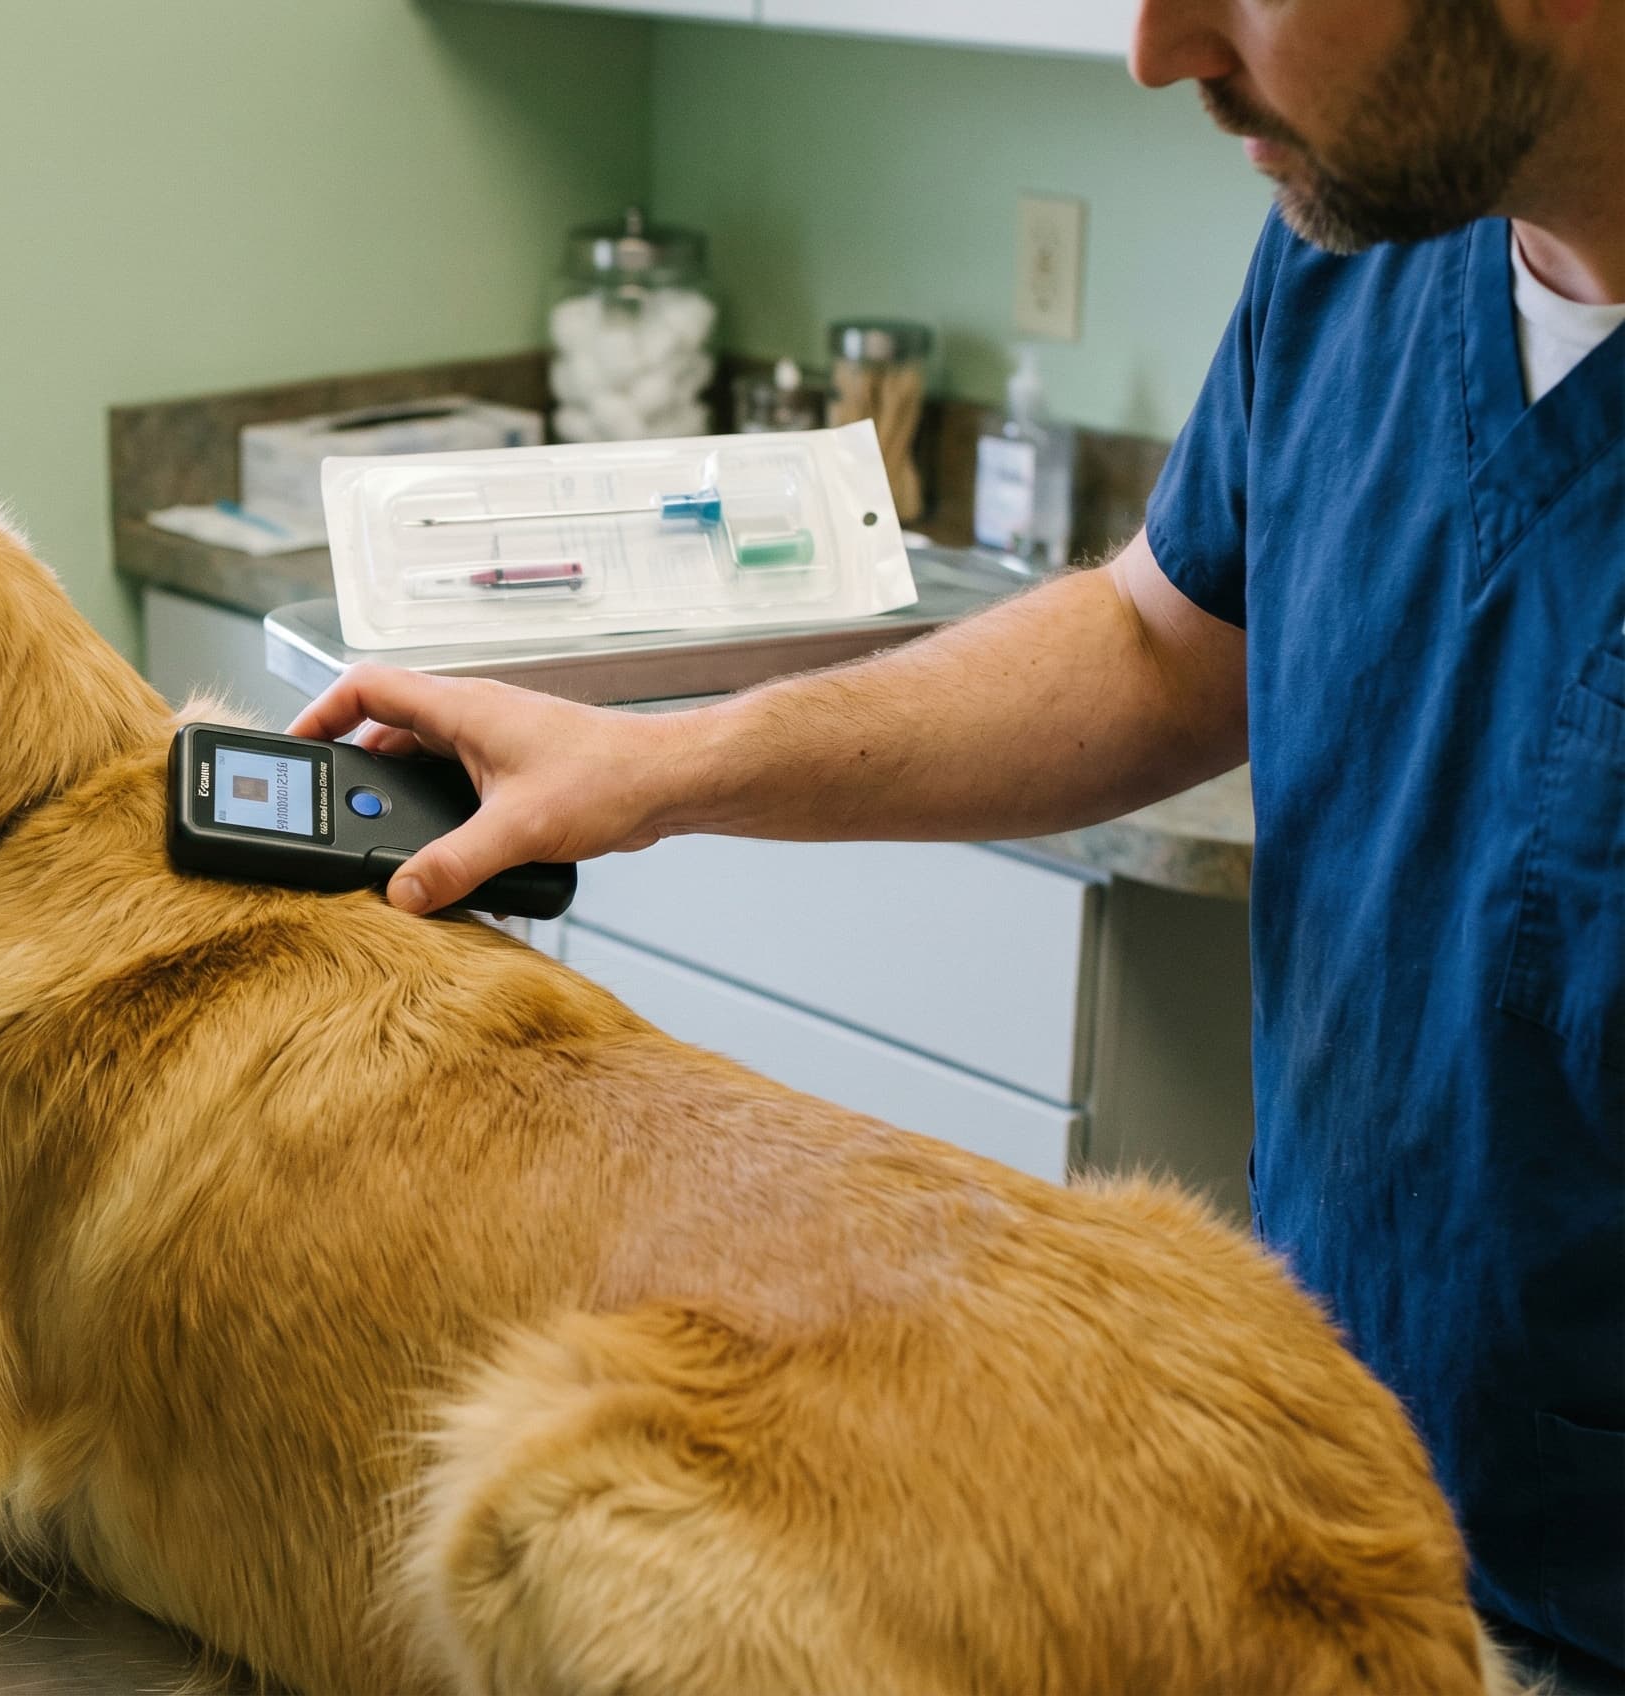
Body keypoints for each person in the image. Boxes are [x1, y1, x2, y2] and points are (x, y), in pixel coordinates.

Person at [296, 0, 1624, 1684]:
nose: (1160, 47)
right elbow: (1160, 641)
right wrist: (655, 766)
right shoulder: (1371, 233)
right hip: (1326, 1520)